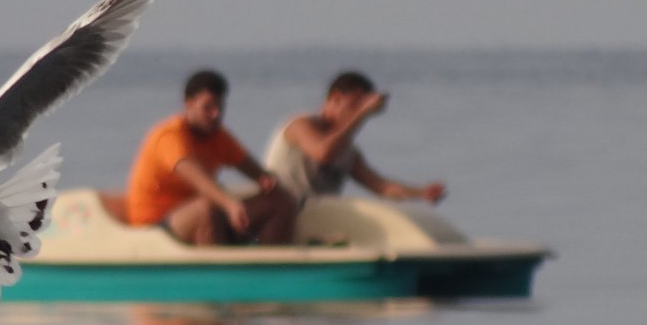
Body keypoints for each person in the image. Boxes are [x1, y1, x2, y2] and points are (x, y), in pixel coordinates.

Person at [126, 69, 297, 246]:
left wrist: (268, 181)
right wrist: (230, 205)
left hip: (199, 213)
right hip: (155, 226)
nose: (215, 115)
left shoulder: (218, 137)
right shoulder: (169, 136)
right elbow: (200, 181)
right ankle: (220, 271)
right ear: (188, 104)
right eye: (207, 108)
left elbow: (257, 173)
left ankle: (270, 267)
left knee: (279, 202)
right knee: (206, 208)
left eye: (219, 108)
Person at [263, 70, 447, 206]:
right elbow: (323, 152)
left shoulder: (348, 151)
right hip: (283, 208)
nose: (356, 112)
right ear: (335, 98)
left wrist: (421, 193)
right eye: (354, 105)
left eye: (361, 106)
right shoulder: (300, 124)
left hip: (320, 215)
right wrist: (363, 113)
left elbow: (381, 186)